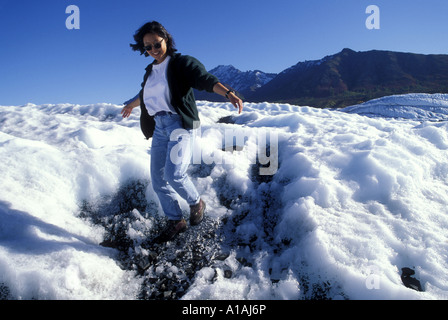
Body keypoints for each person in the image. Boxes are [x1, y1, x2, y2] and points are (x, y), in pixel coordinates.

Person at [121, 21, 243, 243]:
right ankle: (175, 220)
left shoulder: (181, 63)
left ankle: (196, 202)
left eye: (156, 44)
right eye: (147, 48)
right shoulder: (150, 71)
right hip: (159, 128)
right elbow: (144, 94)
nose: (153, 50)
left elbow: (205, 79)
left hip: (180, 124)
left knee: (174, 174)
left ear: (166, 39)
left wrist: (228, 93)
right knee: (158, 180)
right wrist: (131, 105)